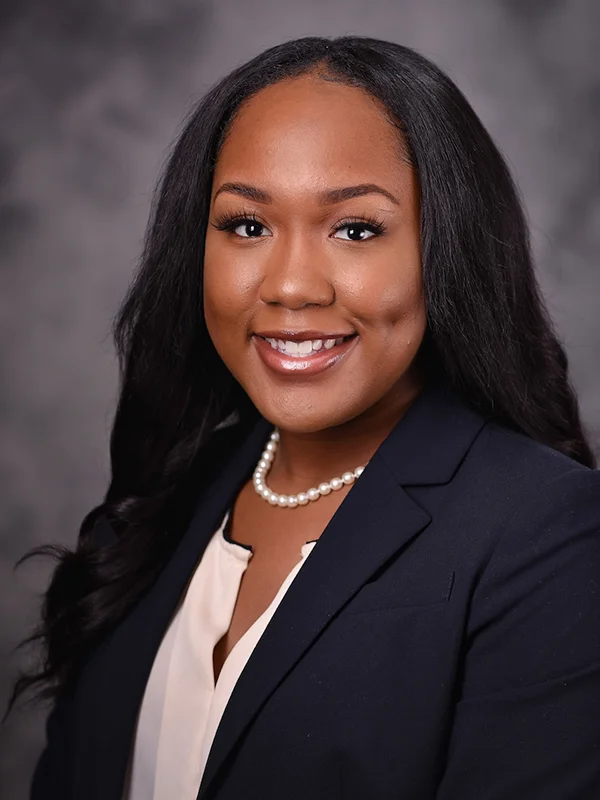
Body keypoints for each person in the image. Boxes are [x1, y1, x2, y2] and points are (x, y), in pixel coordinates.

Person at [13, 35, 600, 799]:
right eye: (247, 226)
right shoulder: (155, 512)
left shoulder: (551, 537)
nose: (290, 286)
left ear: (444, 251)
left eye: (356, 229)